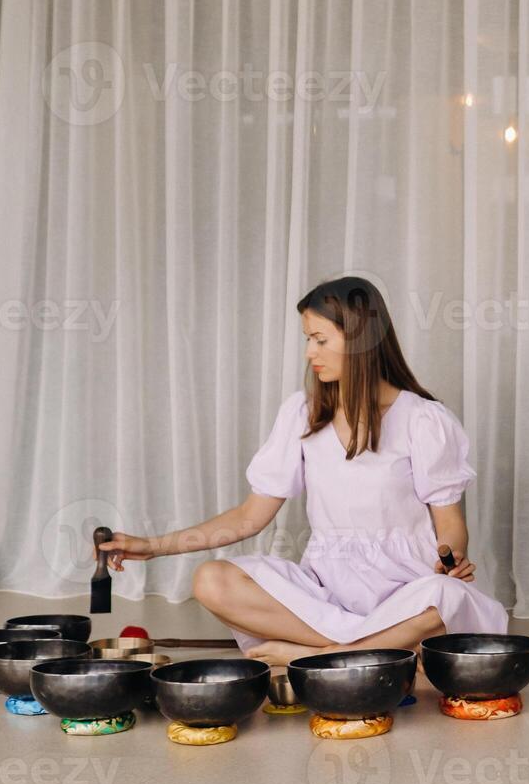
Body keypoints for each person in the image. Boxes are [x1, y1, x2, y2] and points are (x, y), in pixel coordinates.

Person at [101, 275, 506, 666]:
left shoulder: (424, 420)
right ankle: (380, 649)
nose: (310, 353)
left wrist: (450, 557)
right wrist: (153, 547)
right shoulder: (302, 414)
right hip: (327, 591)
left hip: (407, 589)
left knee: (445, 596)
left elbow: (450, 526)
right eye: (307, 340)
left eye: (320, 340)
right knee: (211, 580)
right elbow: (248, 518)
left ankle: (323, 655)